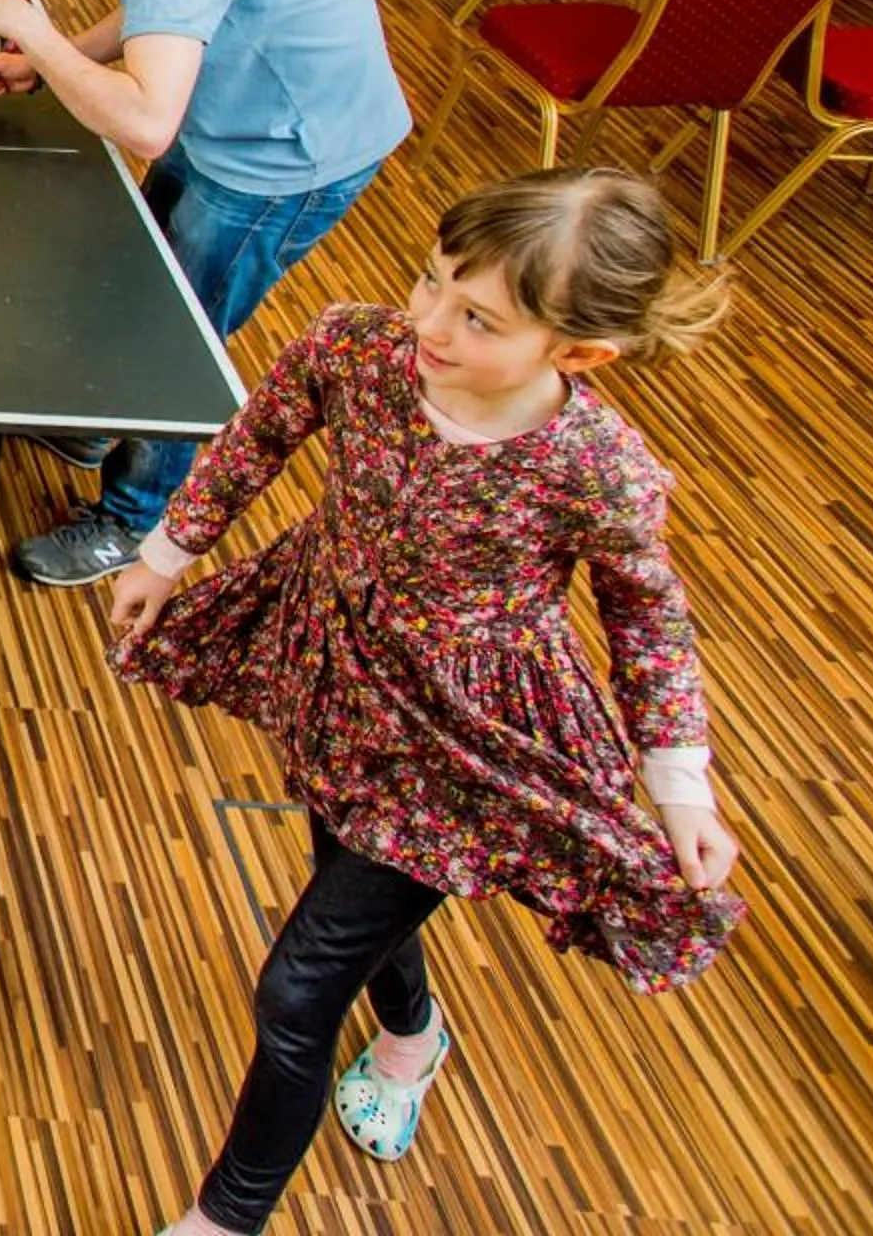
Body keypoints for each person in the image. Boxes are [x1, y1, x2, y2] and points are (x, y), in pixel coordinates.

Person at [106, 169, 746, 1236]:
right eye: (431, 281)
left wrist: (680, 785)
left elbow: (647, 616)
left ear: (578, 352)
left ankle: (227, 1217)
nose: (430, 322)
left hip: (463, 739)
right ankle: (413, 1031)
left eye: (478, 316)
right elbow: (258, 436)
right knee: (344, 869)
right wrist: (167, 550)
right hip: (331, 657)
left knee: (297, 992)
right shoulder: (357, 346)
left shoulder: (600, 468)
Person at [0, 0, 408, 585]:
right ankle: (96, 421)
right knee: (142, 284)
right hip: (229, 119)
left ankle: (134, 523)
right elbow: (170, 13)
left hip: (285, 157)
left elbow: (142, 120)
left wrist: (37, 36)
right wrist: (50, 66)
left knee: (178, 337)